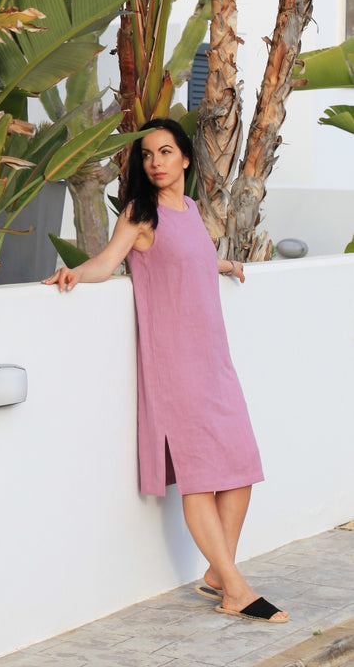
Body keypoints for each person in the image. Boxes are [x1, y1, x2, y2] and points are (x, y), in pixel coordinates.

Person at [43, 118, 288, 624]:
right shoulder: (140, 213)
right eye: (148, 154)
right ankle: (235, 589)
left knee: (240, 465)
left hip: (214, 359)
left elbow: (192, 257)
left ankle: (218, 573)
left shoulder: (192, 210)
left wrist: (224, 265)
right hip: (174, 364)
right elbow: (108, 263)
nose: (155, 161)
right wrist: (74, 273)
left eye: (165, 151)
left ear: (185, 159)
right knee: (199, 479)